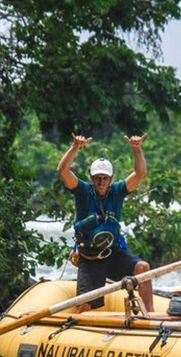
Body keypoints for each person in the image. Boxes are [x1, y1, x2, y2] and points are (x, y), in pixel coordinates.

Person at [56, 132, 153, 313]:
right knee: (84, 306)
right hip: (90, 258)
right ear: (92, 178)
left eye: (105, 178)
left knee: (143, 267)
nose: (101, 182)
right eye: (98, 178)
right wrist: (75, 147)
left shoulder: (117, 191)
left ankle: (151, 317)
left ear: (110, 179)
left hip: (113, 253)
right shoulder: (82, 191)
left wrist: (137, 150)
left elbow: (140, 174)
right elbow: (62, 171)